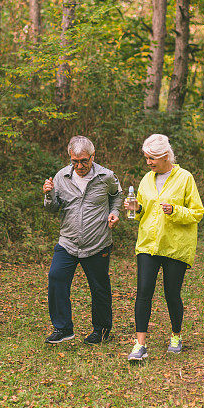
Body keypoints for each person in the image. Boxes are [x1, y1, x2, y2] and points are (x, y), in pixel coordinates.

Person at [124, 134, 204, 361]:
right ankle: (140, 345)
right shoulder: (146, 180)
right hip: (148, 245)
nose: (148, 162)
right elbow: (141, 214)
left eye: (152, 158)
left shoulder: (185, 178)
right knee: (143, 292)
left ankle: (176, 336)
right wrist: (135, 207)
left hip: (175, 247)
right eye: (146, 158)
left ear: (165, 156)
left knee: (172, 293)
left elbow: (197, 212)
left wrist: (175, 210)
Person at [42, 135, 124, 345]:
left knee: (99, 287)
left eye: (84, 161)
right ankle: (63, 328)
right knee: (56, 278)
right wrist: (48, 194)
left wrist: (114, 212)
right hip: (68, 241)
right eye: (74, 161)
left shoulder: (106, 176)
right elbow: (52, 208)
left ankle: (102, 330)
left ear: (93, 156)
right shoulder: (61, 177)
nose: (79, 166)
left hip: (97, 243)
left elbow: (117, 195)